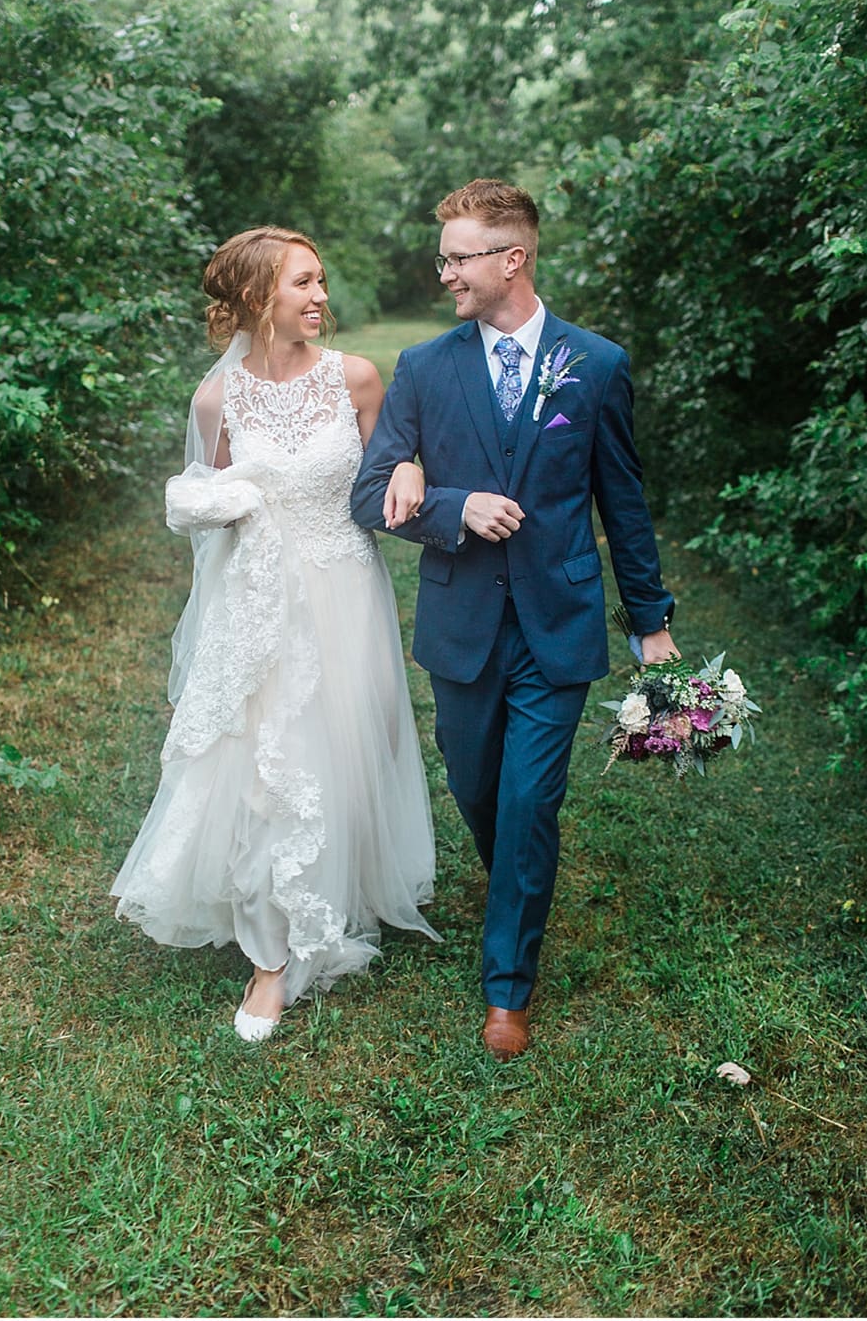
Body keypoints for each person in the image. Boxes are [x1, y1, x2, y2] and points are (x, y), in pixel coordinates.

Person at [350, 179, 679, 1062]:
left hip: (556, 618)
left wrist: (649, 619)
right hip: (462, 623)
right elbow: (365, 495)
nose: (445, 271)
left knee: (532, 799)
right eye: (445, 256)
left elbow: (623, 501)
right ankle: (519, 885)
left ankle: (507, 987)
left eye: (458, 257)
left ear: (512, 258)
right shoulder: (424, 368)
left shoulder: (596, 365)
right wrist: (449, 502)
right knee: (478, 790)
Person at [113, 227, 439, 1042]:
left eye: (322, 280)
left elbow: (390, 475)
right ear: (259, 297)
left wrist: (410, 469)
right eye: (304, 282)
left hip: (344, 588)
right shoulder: (215, 400)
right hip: (256, 603)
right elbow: (204, 509)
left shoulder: (358, 379)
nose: (322, 295)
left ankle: (338, 890)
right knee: (266, 764)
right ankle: (271, 957)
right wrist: (213, 504)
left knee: (341, 743)